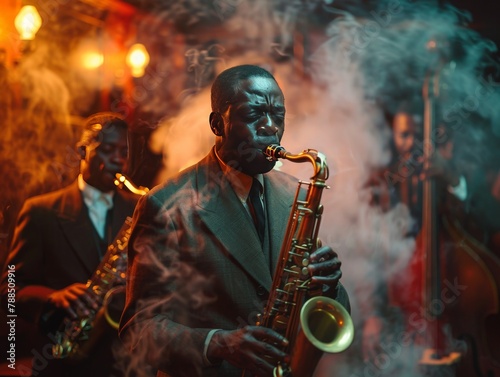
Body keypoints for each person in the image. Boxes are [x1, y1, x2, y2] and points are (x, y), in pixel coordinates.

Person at [119, 64, 351, 377]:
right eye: (254, 114)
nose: (270, 127)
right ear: (218, 124)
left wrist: (327, 286)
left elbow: (322, 313)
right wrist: (218, 344)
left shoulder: (295, 195)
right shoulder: (164, 205)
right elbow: (139, 332)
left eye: (277, 115)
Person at [0, 112, 141, 376]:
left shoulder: (139, 208)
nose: (119, 160)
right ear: (82, 151)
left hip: (124, 360)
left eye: (124, 151)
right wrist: (53, 296)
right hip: (61, 360)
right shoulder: (40, 211)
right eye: (108, 150)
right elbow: (8, 290)